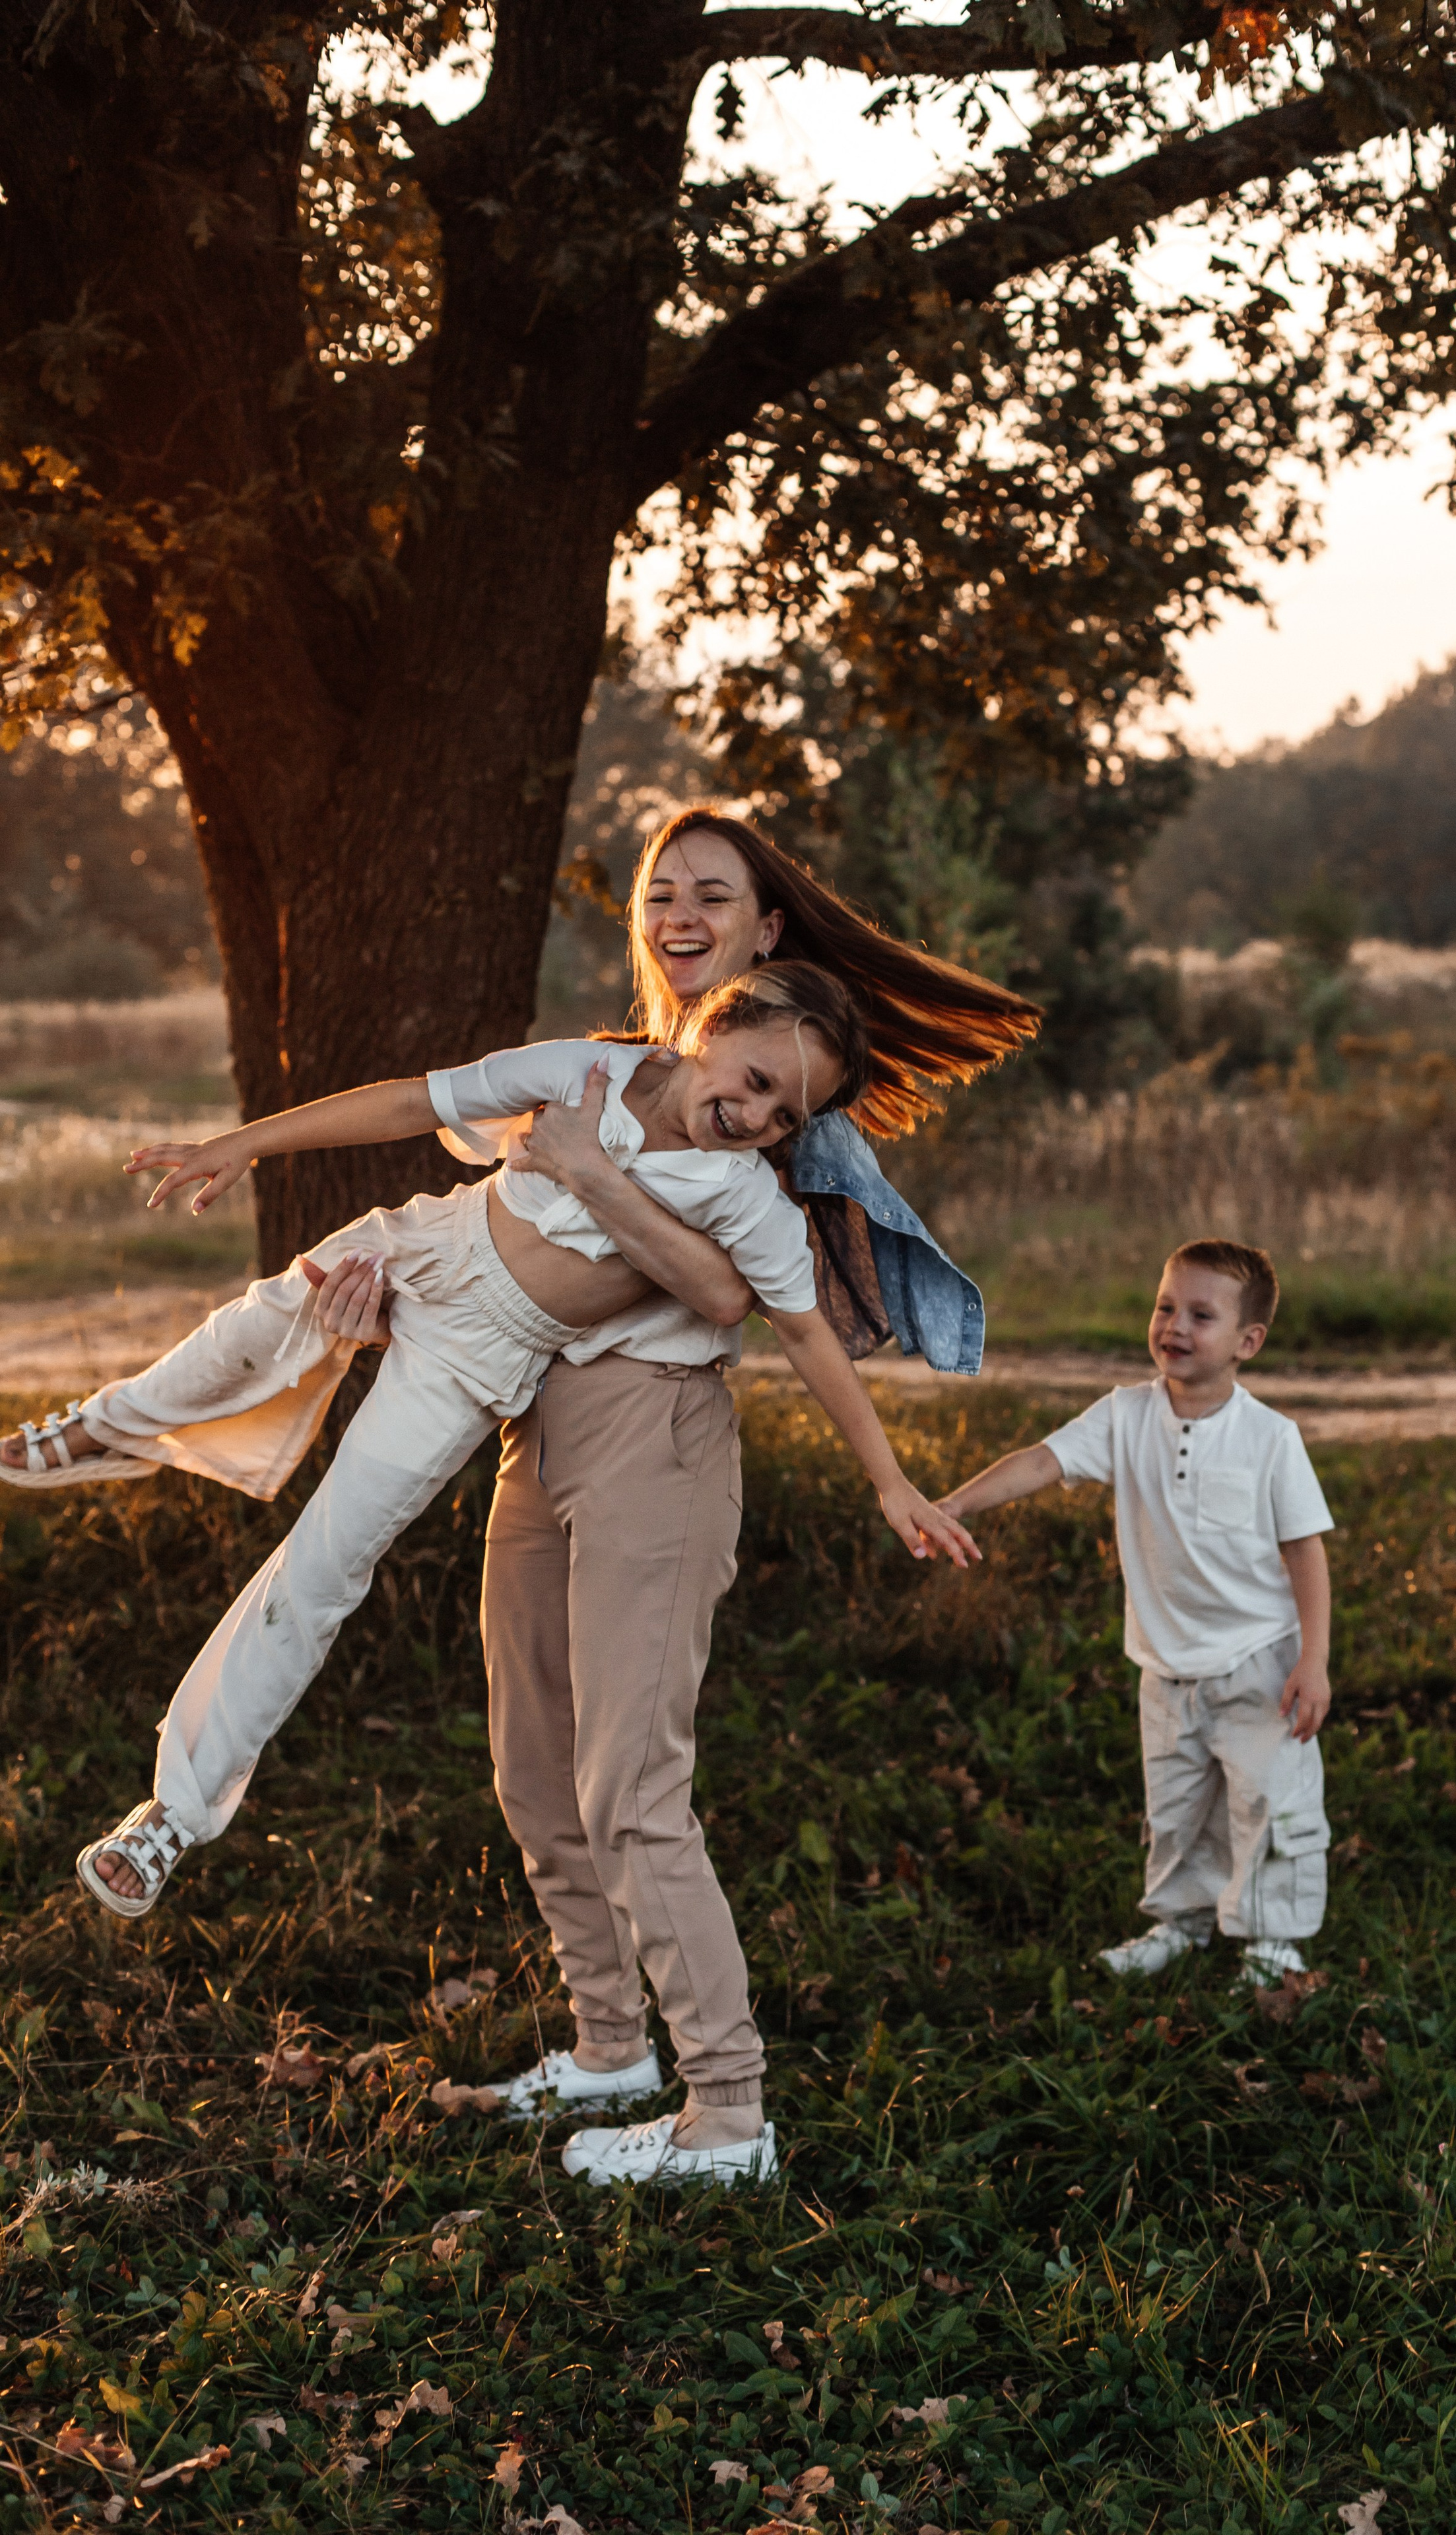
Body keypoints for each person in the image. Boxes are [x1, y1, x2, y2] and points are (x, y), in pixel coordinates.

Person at [5, 968, 978, 1967]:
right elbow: (409, 1102)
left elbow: (807, 1337)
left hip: (477, 1359)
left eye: (787, 1114)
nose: (760, 1114)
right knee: (256, 1324)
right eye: (761, 1076)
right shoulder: (587, 1070)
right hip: (426, 1246)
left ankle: (171, 1812)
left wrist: (890, 1480)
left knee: (325, 1566)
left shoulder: (739, 1197)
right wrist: (243, 1142)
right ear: (712, 1025)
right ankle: (101, 1427)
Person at [390, 805, 1041, 2190]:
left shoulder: (777, 1111)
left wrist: (886, 1479)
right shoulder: (615, 1076)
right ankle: (608, 2042)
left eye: (714, 896)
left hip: (658, 1444)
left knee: (632, 1779)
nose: (679, 915)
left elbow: (765, 1308)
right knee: (532, 1762)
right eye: (659, 892)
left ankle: (727, 2111)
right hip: (539, 1426)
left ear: (766, 935)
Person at [935, 1240, 1335, 1991]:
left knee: (1267, 1801)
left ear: (1248, 1342)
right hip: (1165, 1663)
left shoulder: (1270, 1438)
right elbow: (1040, 1461)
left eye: (1200, 1315)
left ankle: (1270, 1941)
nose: (1174, 1326)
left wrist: (1312, 1662)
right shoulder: (1125, 1415)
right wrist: (955, 1503)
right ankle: (1180, 1923)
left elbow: (1305, 1554)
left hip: (1260, 1662)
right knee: (1177, 1806)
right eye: (1164, 1306)